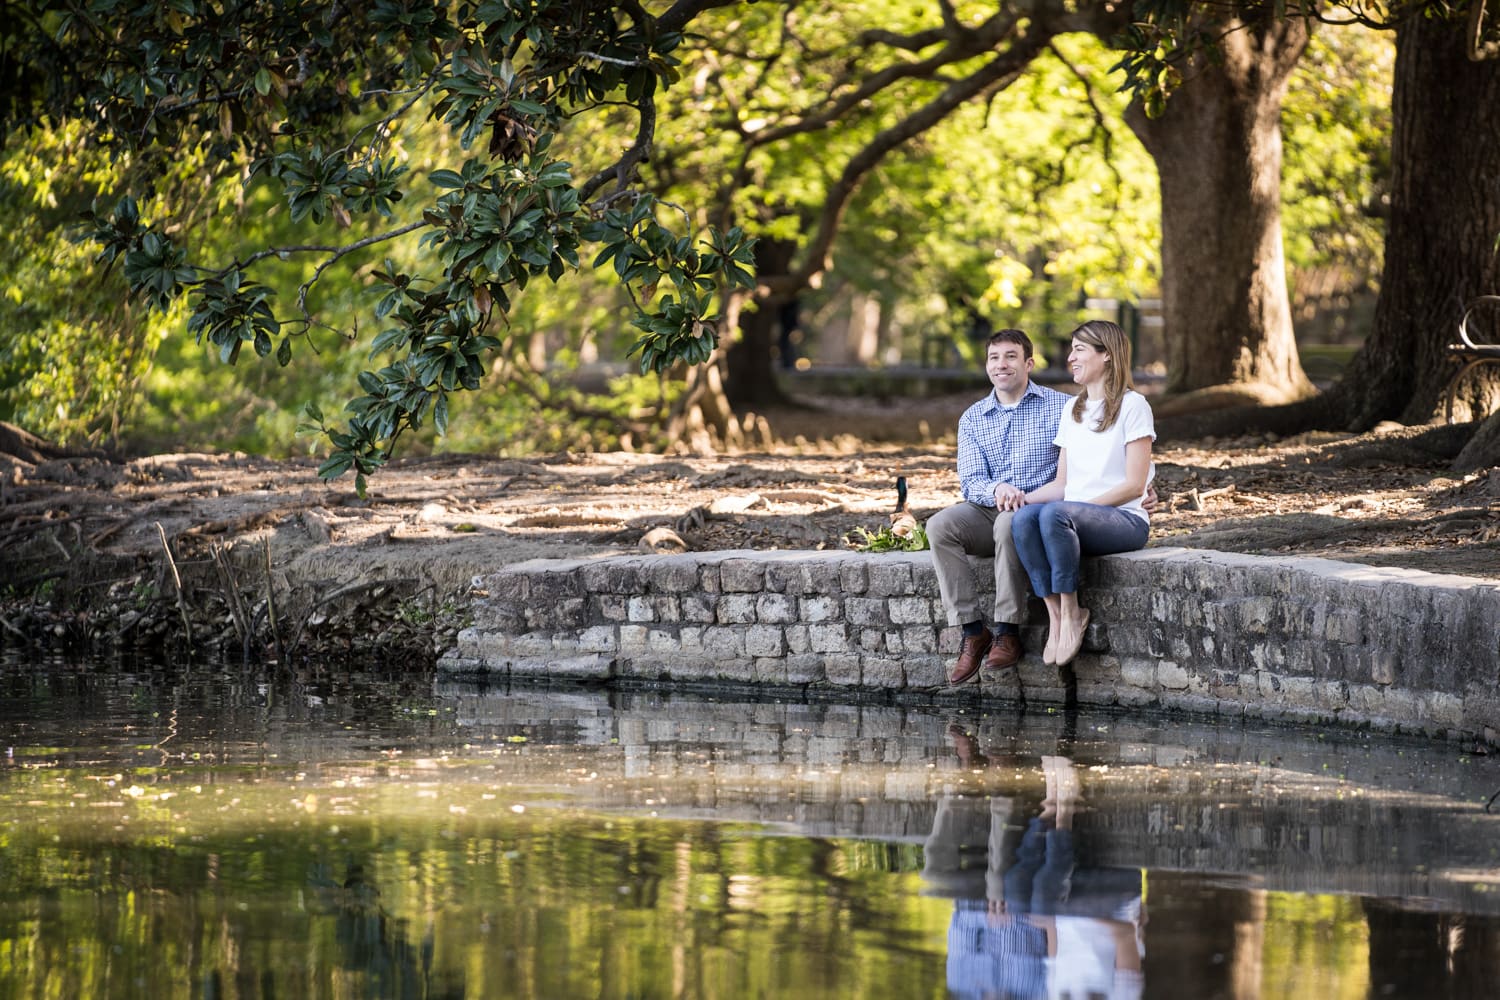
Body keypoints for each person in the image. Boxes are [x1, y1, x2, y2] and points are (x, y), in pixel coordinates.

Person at [927, 330, 1072, 685]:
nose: (1001, 364)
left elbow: (1088, 459)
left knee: (1009, 524)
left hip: (1036, 510)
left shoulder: (1060, 407)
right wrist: (997, 488)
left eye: (1010, 356)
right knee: (939, 526)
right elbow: (971, 481)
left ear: (1028, 363)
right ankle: (973, 631)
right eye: (994, 357)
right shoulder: (973, 417)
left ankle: (1007, 631)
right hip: (987, 507)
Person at [1012, 320, 1155, 667]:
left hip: (1125, 520)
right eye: (1071, 349)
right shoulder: (1072, 410)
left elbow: (1135, 485)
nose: (1070, 358)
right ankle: (1057, 616)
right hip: (1073, 518)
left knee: (1055, 514)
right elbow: (1062, 485)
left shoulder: (1133, 405)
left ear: (1106, 354)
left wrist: (1075, 511)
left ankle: (1075, 610)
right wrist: (1022, 498)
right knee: (1025, 517)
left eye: (1079, 349)